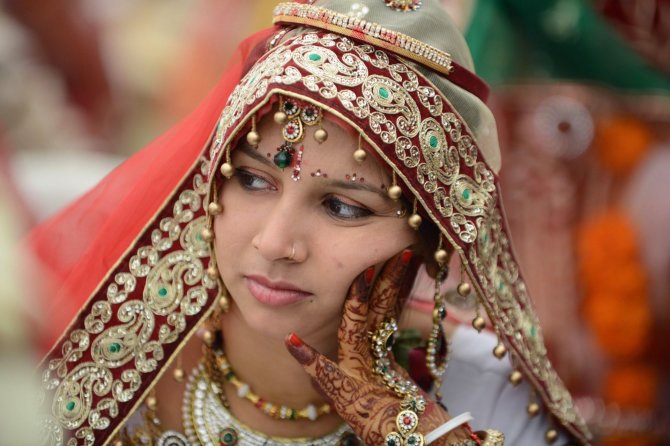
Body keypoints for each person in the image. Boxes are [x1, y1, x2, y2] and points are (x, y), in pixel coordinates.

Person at [30, 1, 592, 445]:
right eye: (252, 180)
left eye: (343, 208)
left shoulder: (487, 399)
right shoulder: (101, 381)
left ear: (430, 240)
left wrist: (411, 430)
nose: (275, 243)